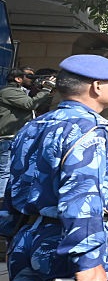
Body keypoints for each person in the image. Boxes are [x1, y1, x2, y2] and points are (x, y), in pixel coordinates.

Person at [2, 54, 108, 281]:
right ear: (96, 86)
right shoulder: (90, 128)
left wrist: (12, 236)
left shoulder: (34, 125)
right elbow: (83, 195)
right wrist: (87, 259)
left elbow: (13, 185)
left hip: (27, 237)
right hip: (66, 244)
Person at [0, 68, 54, 197]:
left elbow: (40, 105)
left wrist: (46, 90)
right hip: (7, 138)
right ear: (18, 79)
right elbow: (29, 104)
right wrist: (46, 89)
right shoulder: (8, 91)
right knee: (5, 171)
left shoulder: (22, 91)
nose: (32, 79)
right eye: (29, 76)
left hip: (17, 138)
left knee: (16, 170)